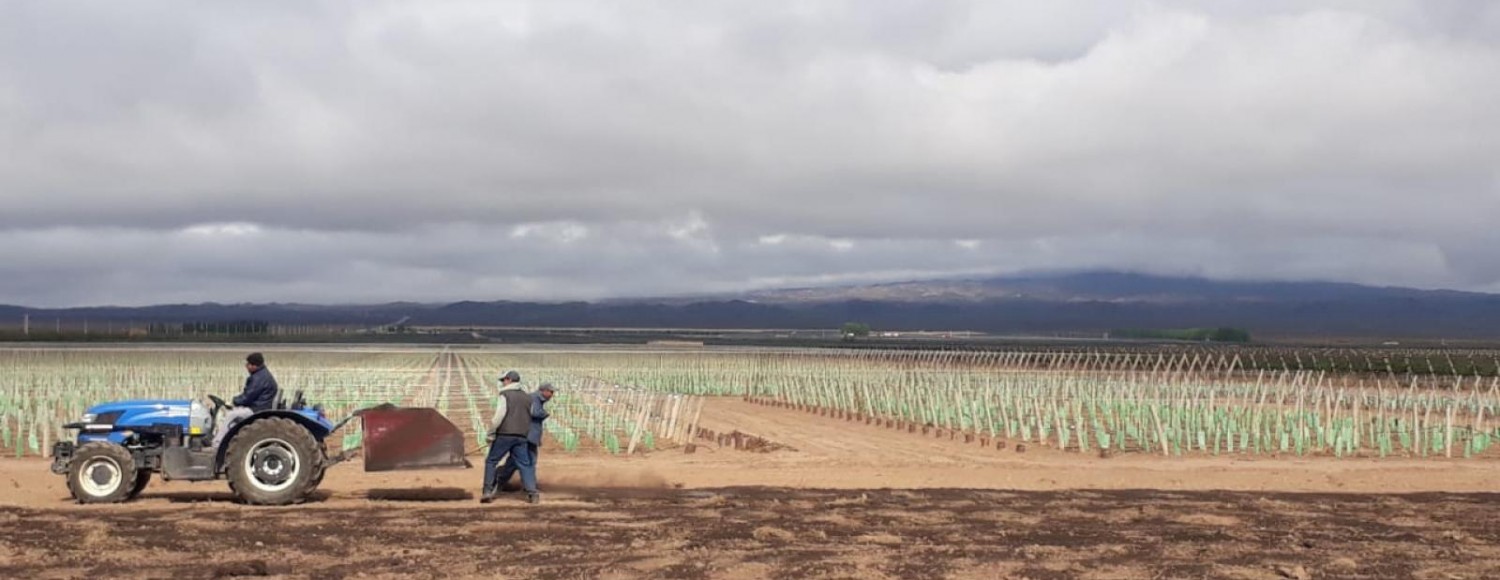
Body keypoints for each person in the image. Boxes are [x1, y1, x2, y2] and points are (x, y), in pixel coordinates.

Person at [482, 370, 538, 504]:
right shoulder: (527, 397)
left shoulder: (505, 395)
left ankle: (487, 491)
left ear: (508, 380)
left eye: (503, 380)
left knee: (491, 461)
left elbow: (499, 416)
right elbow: (530, 416)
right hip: (522, 436)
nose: (502, 383)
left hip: (505, 435)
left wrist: (491, 433)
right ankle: (532, 493)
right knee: (524, 464)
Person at [495, 383, 555, 497]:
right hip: (527, 436)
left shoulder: (535, 398)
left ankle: (525, 486)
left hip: (528, 435)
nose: (552, 395)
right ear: (544, 391)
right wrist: (545, 414)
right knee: (523, 462)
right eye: (551, 392)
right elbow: (534, 412)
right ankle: (525, 487)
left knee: (518, 462)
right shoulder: (534, 398)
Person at [212, 352, 279, 449]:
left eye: (248, 364)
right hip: (259, 406)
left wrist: (234, 402)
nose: (246, 367)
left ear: (254, 365)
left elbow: (248, 397)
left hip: (257, 409)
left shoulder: (259, 378)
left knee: (230, 415)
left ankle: (217, 443)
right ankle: (228, 441)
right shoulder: (262, 375)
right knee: (234, 415)